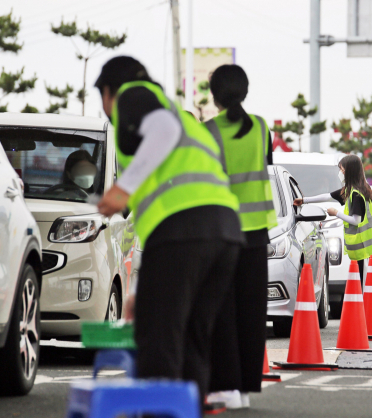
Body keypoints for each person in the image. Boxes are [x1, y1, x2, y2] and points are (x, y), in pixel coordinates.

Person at [94, 56, 244, 411]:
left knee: (160, 337)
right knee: (192, 334)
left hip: (183, 229)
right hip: (224, 232)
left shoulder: (135, 94)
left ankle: (160, 410)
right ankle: (188, 406)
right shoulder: (183, 119)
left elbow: (162, 131)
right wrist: (142, 290)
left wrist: (123, 188)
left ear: (109, 90)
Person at [204, 64, 276, 410]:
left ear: (214, 95)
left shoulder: (209, 133)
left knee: (222, 310)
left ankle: (226, 386)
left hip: (222, 232)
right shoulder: (261, 128)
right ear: (244, 92)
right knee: (251, 312)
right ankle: (245, 389)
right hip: (258, 233)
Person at [294, 154, 372, 282]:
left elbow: (356, 220)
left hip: (364, 246)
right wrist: (304, 200)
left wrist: (336, 213)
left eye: (342, 170)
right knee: (366, 281)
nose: (340, 173)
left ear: (350, 172)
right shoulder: (359, 189)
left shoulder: (356, 194)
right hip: (369, 244)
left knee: (363, 281)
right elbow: (328, 196)